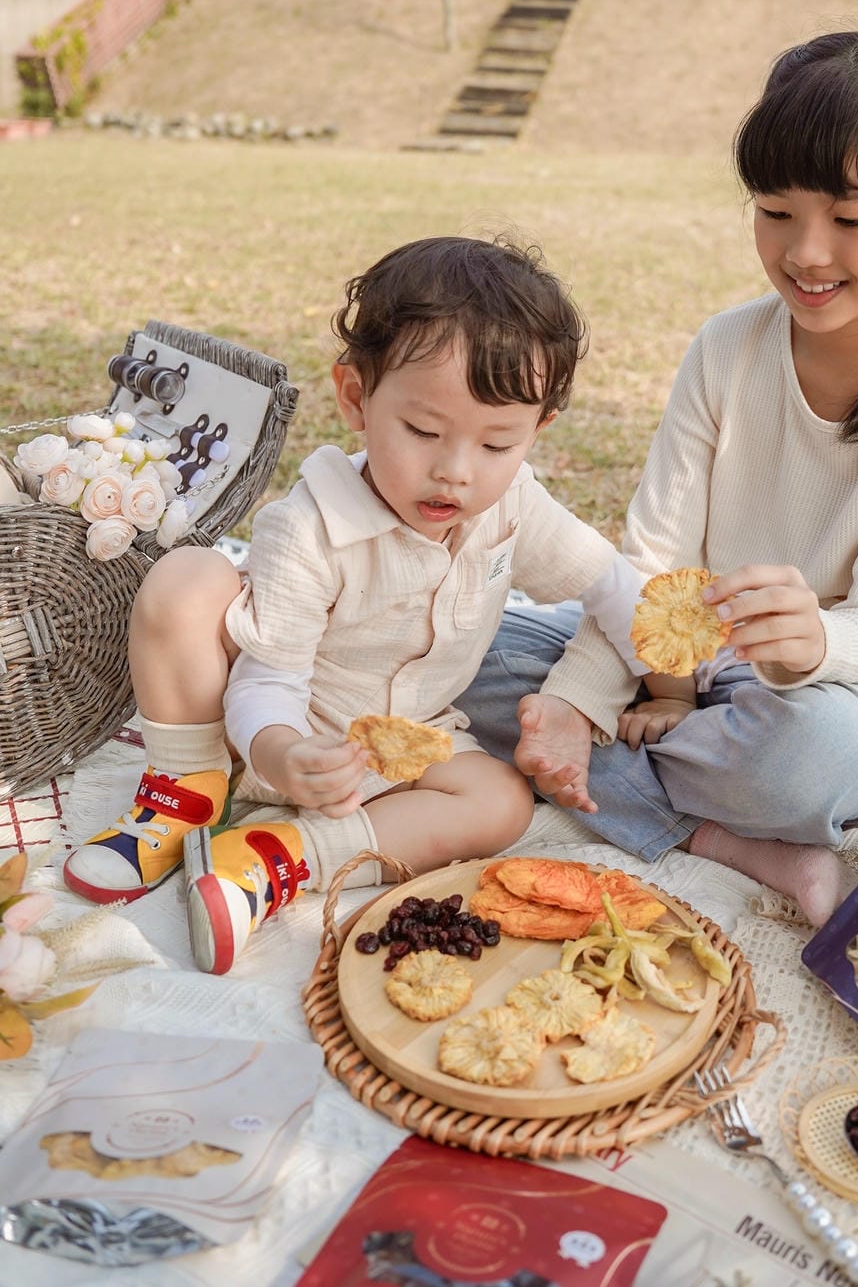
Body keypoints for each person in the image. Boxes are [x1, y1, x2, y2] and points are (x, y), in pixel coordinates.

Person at [458, 29, 858, 927]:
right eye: (776, 210)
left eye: (851, 220)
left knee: (810, 760)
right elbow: (651, 557)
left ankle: (664, 789)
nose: (806, 251)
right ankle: (728, 839)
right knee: (445, 645)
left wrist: (811, 648)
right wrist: (582, 699)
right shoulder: (727, 348)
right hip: (686, 662)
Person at [64, 237, 641, 974]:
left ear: (536, 432)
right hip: (276, 731)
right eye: (424, 432)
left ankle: (276, 857)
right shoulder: (312, 526)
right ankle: (183, 795)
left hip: (410, 742)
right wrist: (279, 749)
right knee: (188, 581)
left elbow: (609, 582)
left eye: (498, 443)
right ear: (356, 398)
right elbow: (267, 677)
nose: (455, 471)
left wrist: (677, 668)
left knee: (501, 801)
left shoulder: (515, 506)